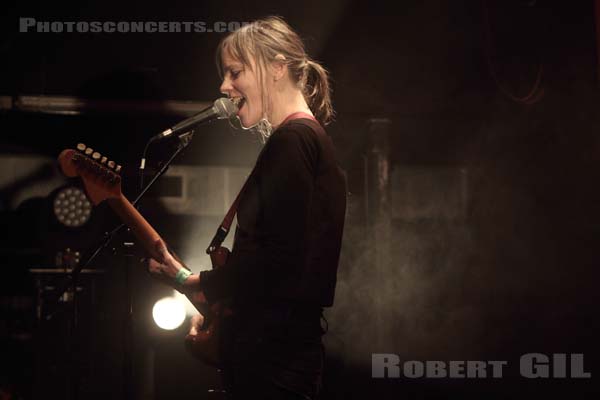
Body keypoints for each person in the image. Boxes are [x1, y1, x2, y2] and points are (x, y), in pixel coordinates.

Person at [148, 16, 346, 399]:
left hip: (273, 359)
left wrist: (195, 283)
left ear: (276, 67)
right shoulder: (303, 140)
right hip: (279, 353)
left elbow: (276, 259)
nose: (224, 86)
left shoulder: (293, 141)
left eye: (235, 72)